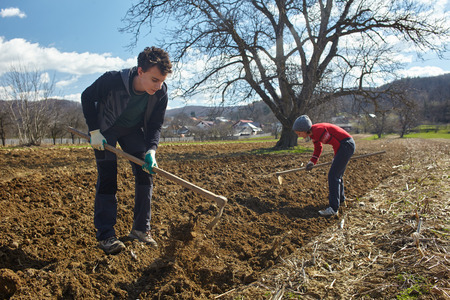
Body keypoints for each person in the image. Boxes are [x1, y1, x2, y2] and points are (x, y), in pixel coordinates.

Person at [81, 46, 172, 255]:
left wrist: (151, 150)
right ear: (140, 71)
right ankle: (106, 235)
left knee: (145, 173)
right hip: (105, 130)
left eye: (162, 80)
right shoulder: (112, 80)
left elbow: (156, 124)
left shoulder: (160, 93)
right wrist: (94, 131)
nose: (159, 86)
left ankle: (140, 230)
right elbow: (87, 96)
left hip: (132, 131)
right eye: (154, 80)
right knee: (108, 177)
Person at [292, 115, 355, 216]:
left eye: (299, 133)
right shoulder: (313, 134)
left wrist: (336, 158)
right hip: (346, 145)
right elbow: (318, 148)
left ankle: (334, 209)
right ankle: (341, 201)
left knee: (333, 175)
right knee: (337, 175)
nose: (299, 135)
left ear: (305, 130)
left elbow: (336, 144)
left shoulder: (318, 131)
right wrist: (312, 162)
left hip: (346, 145)